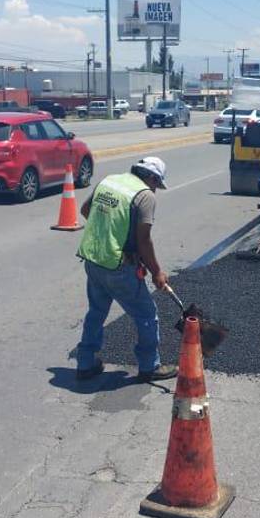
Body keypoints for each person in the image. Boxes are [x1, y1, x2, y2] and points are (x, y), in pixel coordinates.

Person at [74, 157, 178, 382]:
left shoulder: (110, 181)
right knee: (146, 315)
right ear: (152, 177)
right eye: (156, 185)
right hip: (119, 267)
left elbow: (85, 210)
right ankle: (150, 366)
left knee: (96, 312)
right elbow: (144, 240)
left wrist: (107, 234)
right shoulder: (144, 195)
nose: (155, 190)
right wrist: (157, 272)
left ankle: (85, 362)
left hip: (93, 260)